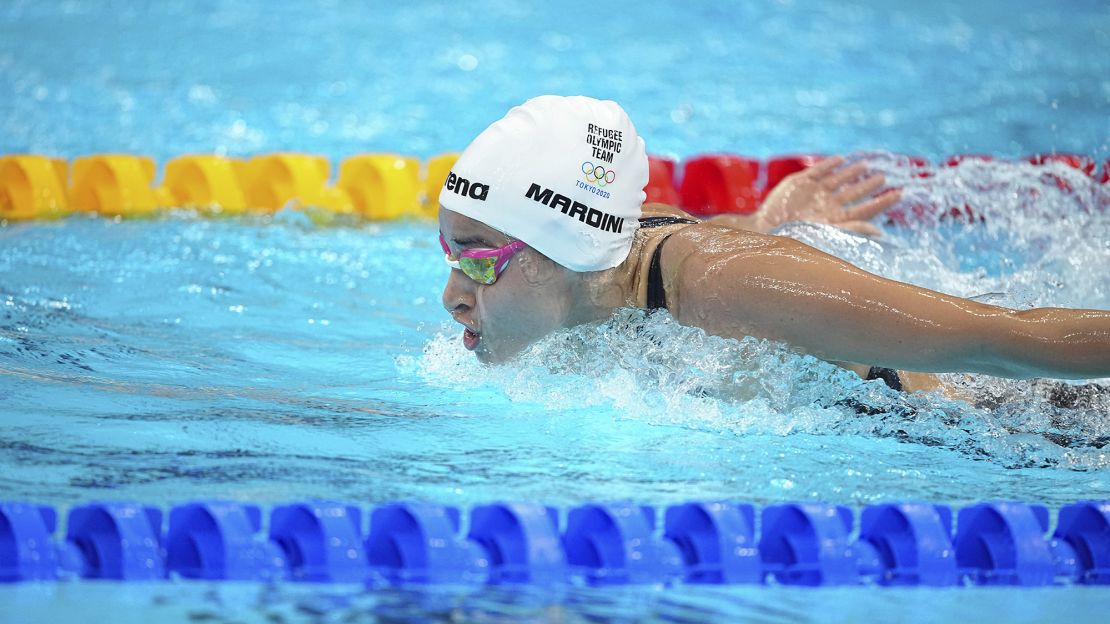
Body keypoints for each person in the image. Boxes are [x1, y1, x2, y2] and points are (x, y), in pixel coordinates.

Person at [438, 95, 1110, 389]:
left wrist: (764, 249)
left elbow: (994, 337)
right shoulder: (610, 261)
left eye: (476, 259)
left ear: (567, 246)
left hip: (1027, 420)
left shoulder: (722, 287)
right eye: (449, 253)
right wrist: (768, 222)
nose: (452, 296)